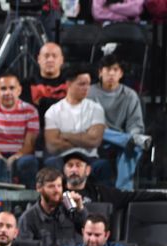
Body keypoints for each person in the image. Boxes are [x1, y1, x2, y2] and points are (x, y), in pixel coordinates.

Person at [88, 55, 151, 190]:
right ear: (100, 72)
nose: (111, 73)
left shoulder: (130, 95)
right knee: (132, 140)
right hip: (98, 139)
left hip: (121, 144)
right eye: (107, 69)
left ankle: (123, 192)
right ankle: (128, 140)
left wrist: (131, 136)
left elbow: (136, 125)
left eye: (115, 69)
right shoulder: (89, 93)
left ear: (121, 73)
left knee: (132, 147)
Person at [43, 64, 110, 184]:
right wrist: (83, 139)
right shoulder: (53, 111)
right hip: (62, 157)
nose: (86, 88)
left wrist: (65, 135)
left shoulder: (96, 109)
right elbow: (52, 146)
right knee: (50, 164)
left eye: (88, 84)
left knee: (103, 166)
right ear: (68, 84)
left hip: (89, 158)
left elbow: (94, 141)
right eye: (81, 84)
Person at [0, 72, 40, 187]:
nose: (7, 92)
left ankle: (27, 202)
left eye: (12, 88)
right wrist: (2, 160)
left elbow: (29, 145)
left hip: (20, 154)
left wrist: (14, 158)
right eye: (3, 89)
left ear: (19, 90)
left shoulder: (31, 111)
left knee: (29, 162)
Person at [62, 150, 167, 216]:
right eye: (70, 165)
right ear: (64, 170)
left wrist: (164, 195)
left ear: (88, 170)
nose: (74, 170)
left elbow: (133, 195)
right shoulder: (56, 192)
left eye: (78, 165)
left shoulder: (100, 192)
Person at [18, 167, 86, 246]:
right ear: (39, 188)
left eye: (59, 186)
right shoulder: (28, 218)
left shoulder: (69, 208)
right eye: (51, 186)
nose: (57, 190)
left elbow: (87, 231)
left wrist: (80, 208)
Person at [26, 42, 67, 128]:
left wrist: (43, 102)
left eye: (54, 56)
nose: (50, 60)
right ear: (38, 59)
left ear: (62, 60)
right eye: (46, 56)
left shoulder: (71, 85)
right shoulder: (25, 85)